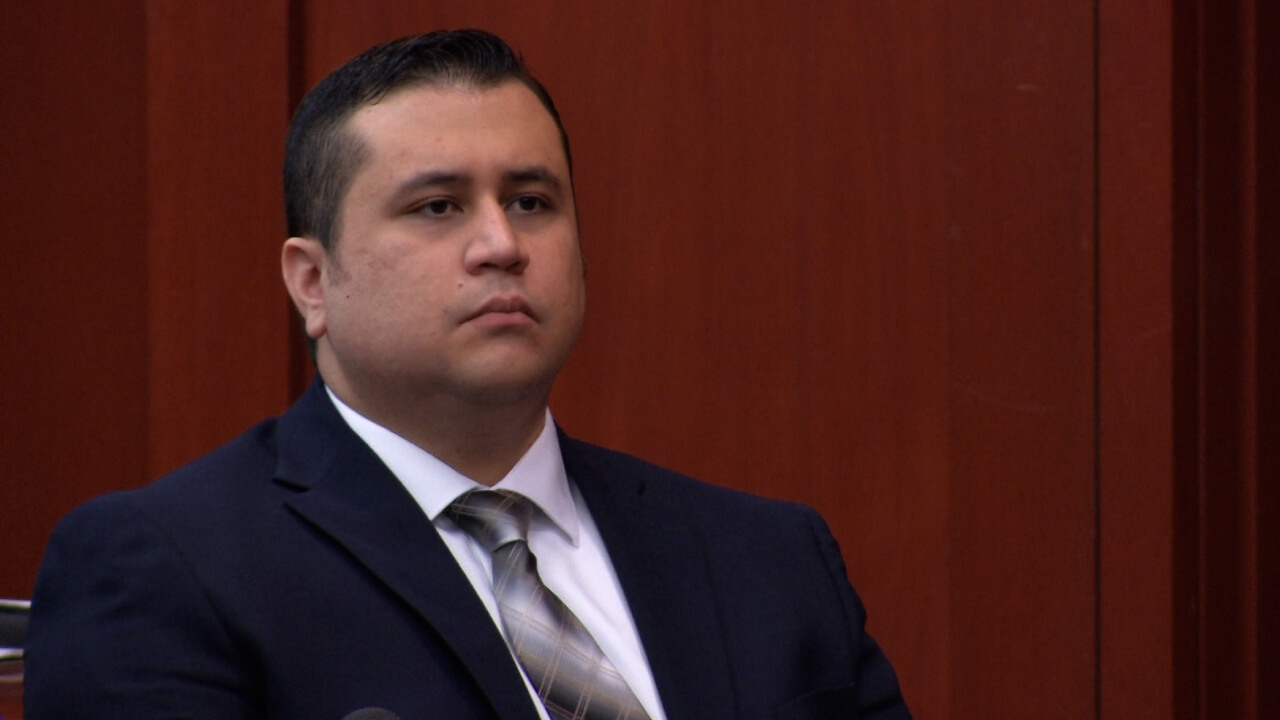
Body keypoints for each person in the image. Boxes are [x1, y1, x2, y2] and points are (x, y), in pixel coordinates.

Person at [25, 30, 911, 720]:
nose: (501, 245)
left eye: (531, 201)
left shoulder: (769, 559)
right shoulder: (169, 568)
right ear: (312, 283)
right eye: (438, 206)